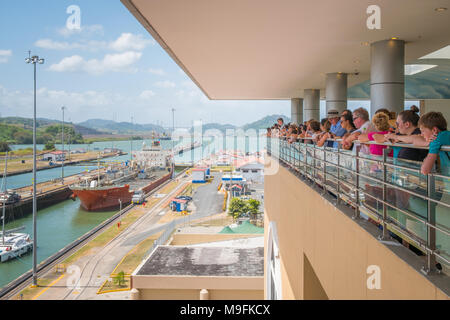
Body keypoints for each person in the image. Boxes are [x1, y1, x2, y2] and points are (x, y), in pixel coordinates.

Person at [417, 112, 450, 176]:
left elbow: (425, 170)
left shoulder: (437, 138)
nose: (422, 134)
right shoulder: (446, 135)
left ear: (434, 130)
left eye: (423, 131)